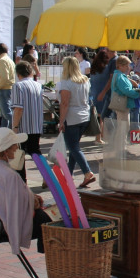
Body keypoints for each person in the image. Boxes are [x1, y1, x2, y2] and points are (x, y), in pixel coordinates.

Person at [0, 128, 49, 255]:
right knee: (51, 222)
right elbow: (23, 205)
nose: (17, 147)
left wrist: (30, 197)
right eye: (14, 145)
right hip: (4, 226)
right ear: (6, 150)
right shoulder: (9, 175)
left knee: (45, 216)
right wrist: (32, 200)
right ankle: (51, 261)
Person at [57, 56, 96, 188]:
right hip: (84, 116)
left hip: (72, 117)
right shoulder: (85, 80)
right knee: (74, 147)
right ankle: (68, 175)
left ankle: (87, 171)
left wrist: (61, 121)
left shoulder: (66, 83)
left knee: (73, 147)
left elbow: (65, 103)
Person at [10, 60, 44, 184]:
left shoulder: (18, 86)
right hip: (36, 124)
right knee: (35, 151)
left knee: (19, 154)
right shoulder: (38, 85)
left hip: (24, 126)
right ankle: (46, 175)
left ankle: (21, 181)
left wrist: (15, 126)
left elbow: (18, 108)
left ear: (18, 74)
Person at [90, 48, 116, 145]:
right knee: (102, 116)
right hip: (103, 93)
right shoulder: (106, 68)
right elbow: (109, 80)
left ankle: (98, 137)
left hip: (94, 92)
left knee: (97, 116)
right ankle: (101, 137)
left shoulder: (93, 67)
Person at [110, 55, 140, 123]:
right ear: (120, 66)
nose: (128, 68)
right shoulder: (120, 76)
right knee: (123, 128)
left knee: (122, 127)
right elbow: (127, 91)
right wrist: (139, 93)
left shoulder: (118, 75)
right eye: (126, 66)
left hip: (120, 104)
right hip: (122, 105)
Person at [0, 43, 16, 128]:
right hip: (8, 88)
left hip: (3, 89)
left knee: (6, 114)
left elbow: (4, 77)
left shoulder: (2, 61)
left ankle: (15, 127)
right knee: (3, 115)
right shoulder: (9, 60)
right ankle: (3, 133)